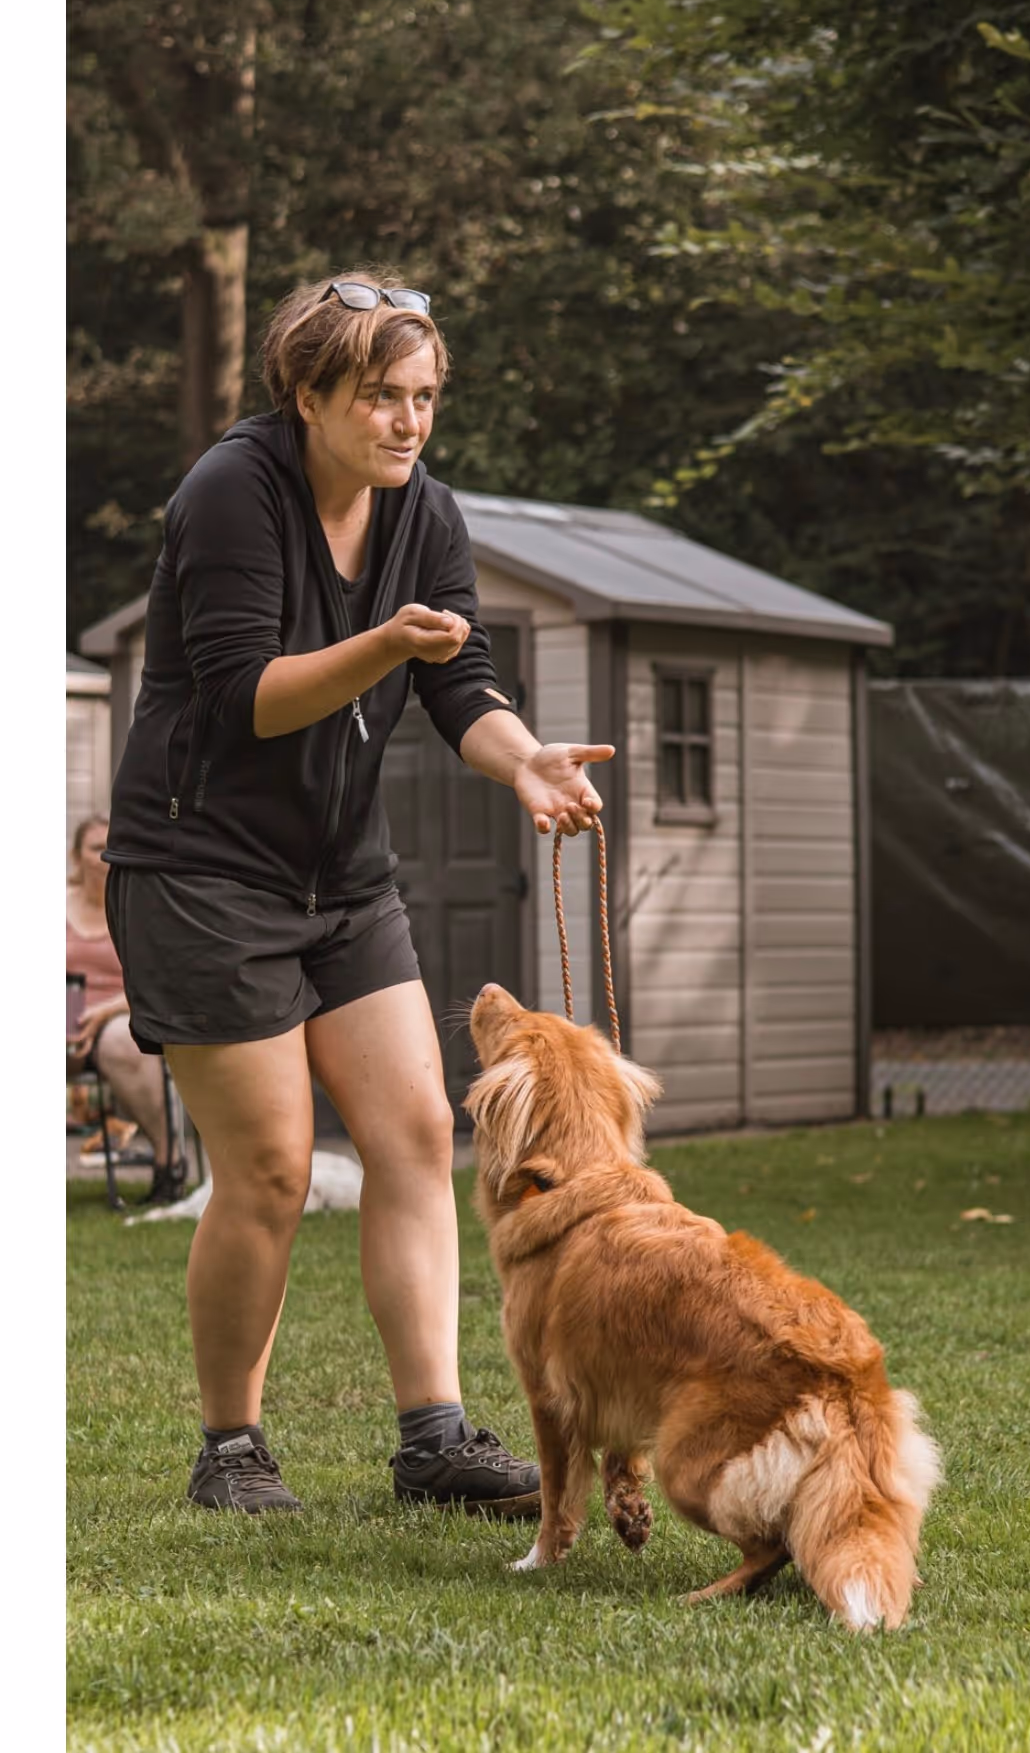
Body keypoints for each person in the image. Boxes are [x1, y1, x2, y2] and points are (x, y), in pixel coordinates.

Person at [101, 272, 614, 1515]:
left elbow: (460, 682)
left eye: (424, 397)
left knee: (418, 1132)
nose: (408, 421)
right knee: (273, 1164)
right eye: (382, 396)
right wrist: (385, 641)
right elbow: (248, 696)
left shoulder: (423, 510)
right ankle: (230, 1445)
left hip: (342, 876)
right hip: (201, 870)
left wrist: (522, 760)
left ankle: (433, 1438)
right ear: (309, 393)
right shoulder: (232, 490)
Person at [67, 812, 188, 1204]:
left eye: (111, 847)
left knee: (123, 1042)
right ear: (76, 856)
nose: (104, 856)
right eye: (95, 848)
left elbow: (161, 979)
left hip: (123, 1013)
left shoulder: (140, 907)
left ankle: (169, 1160)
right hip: (65, 1015)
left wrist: (104, 1013)